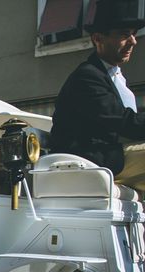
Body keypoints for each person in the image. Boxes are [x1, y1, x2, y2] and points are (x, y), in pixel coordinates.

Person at [50, 0, 145, 178]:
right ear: (98, 38)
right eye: (124, 35)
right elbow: (124, 122)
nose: (133, 41)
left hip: (109, 156)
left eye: (133, 34)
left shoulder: (113, 76)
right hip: (91, 160)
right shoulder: (87, 77)